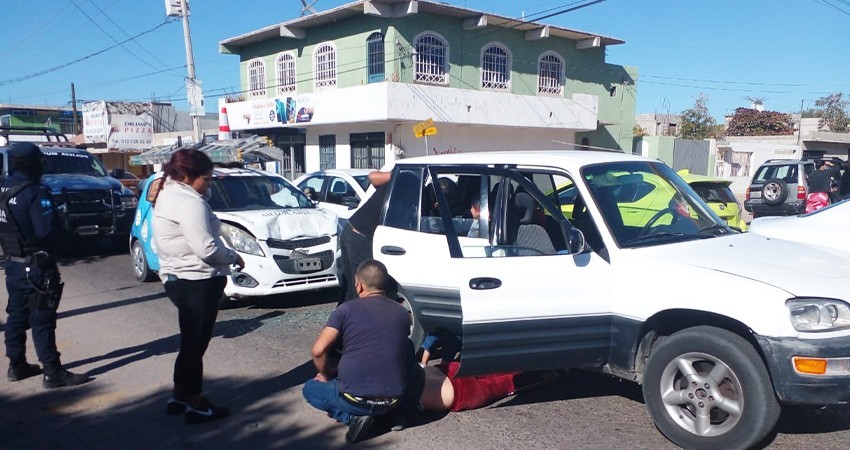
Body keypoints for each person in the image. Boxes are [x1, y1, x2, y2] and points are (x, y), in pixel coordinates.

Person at [152, 148, 245, 425]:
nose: (209, 184)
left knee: (189, 344)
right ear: (186, 175)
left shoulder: (168, 194)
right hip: (197, 280)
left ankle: (179, 395)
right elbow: (206, 248)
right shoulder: (188, 202)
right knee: (195, 346)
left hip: (180, 278)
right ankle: (196, 403)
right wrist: (234, 257)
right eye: (206, 178)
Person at [0, 142, 91, 388]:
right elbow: (46, 231)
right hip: (37, 265)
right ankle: (52, 371)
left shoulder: (3, 189)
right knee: (42, 317)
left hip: (13, 264)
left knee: (17, 315)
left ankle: (16, 364)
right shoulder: (35, 192)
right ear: (32, 164)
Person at [303, 259, 412, 443]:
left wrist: (327, 373)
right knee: (408, 355)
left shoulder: (345, 310)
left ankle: (352, 418)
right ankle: (392, 416)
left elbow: (318, 350)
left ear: (359, 285)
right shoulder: (403, 314)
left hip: (353, 398)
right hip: (393, 400)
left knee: (310, 389)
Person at [337, 171, 391, 304]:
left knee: (352, 289)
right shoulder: (405, 176)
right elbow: (373, 177)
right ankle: (355, 321)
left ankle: (343, 320)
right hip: (359, 234)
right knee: (363, 288)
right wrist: (398, 173)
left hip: (353, 230)